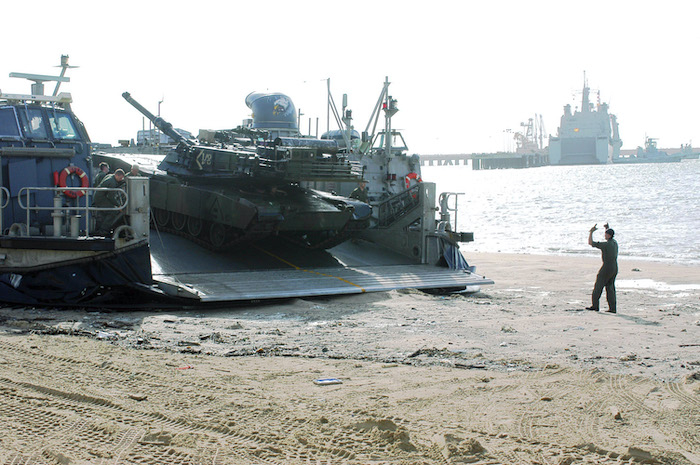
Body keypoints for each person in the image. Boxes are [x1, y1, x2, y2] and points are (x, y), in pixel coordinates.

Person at [586, 223, 618, 313]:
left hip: (607, 267)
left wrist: (591, 232)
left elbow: (590, 243)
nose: (604, 235)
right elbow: (609, 235)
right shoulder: (614, 242)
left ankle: (595, 306)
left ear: (608, 235)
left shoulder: (606, 245)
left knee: (598, 286)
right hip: (614, 267)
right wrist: (607, 228)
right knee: (610, 288)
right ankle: (612, 308)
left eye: (605, 234)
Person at [93, 169, 126, 235]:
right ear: (117, 175)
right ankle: (104, 230)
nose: (121, 179)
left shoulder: (110, 176)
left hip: (98, 196)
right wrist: (119, 206)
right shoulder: (112, 183)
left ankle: (98, 228)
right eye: (120, 178)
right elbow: (111, 197)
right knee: (113, 211)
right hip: (101, 199)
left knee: (103, 213)